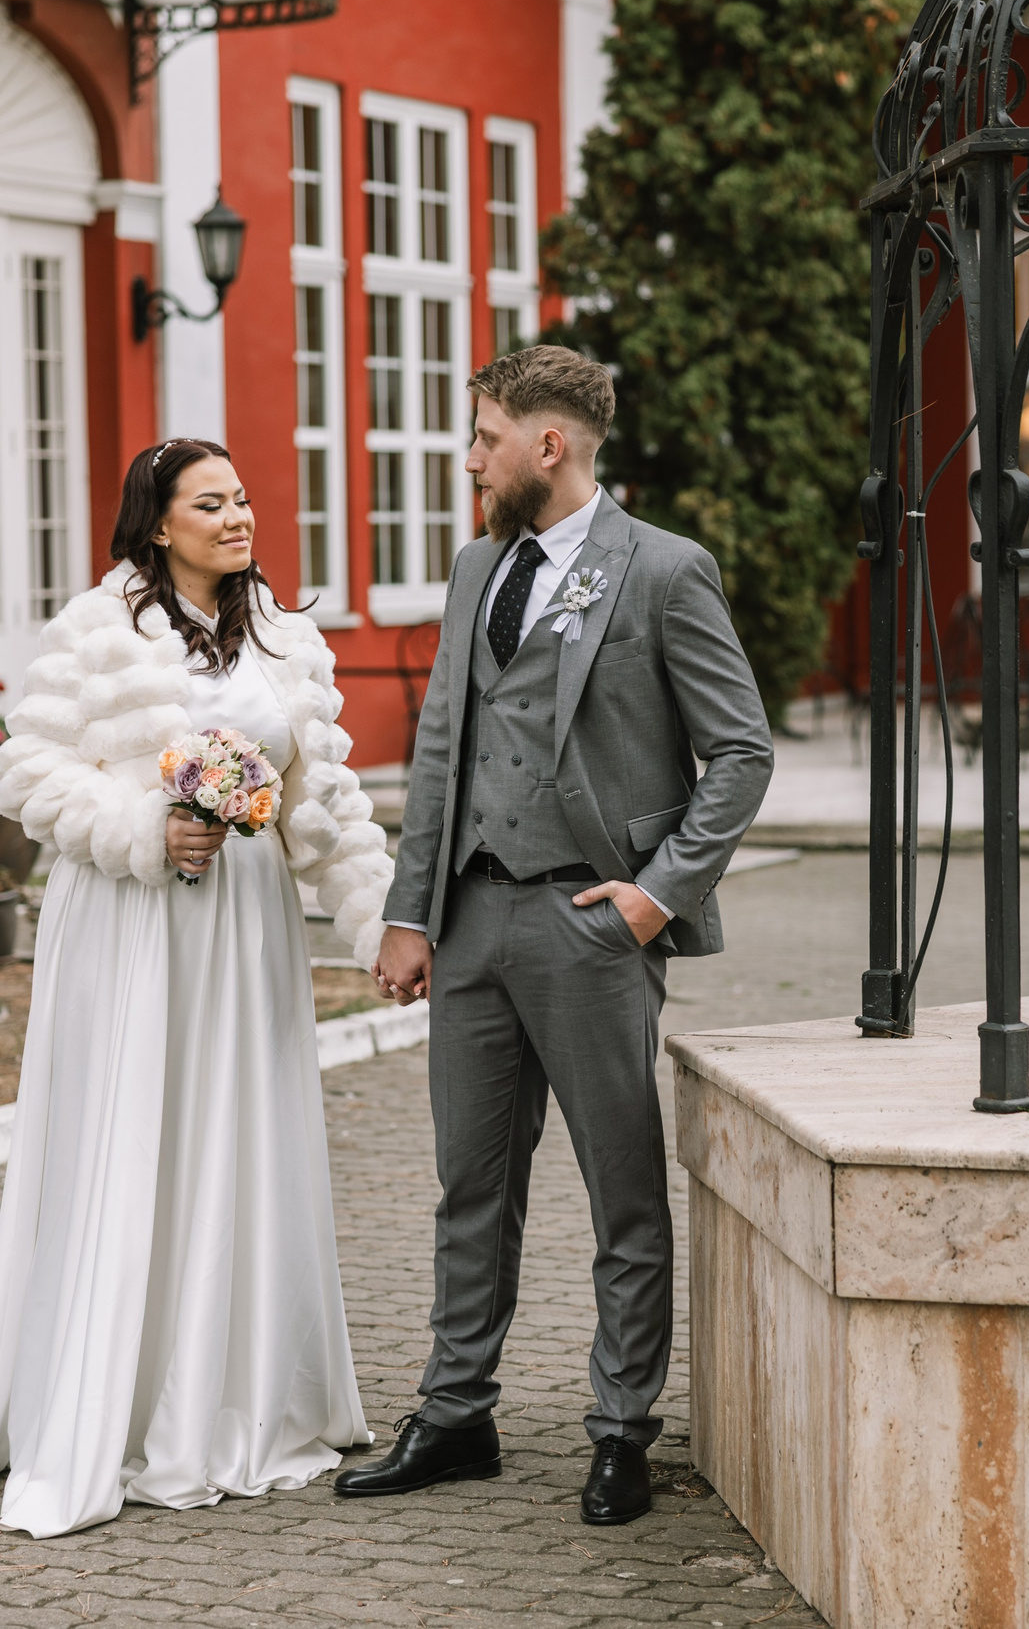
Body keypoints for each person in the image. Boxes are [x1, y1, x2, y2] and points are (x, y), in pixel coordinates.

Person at [341, 345, 773, 1525]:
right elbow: (443, 745)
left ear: (549, 445)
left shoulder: (665, 572)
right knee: (468, 1184)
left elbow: (741, 754)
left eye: (483, 436)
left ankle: (620, 1426)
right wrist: (408, 909)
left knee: (621, 1189)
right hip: (471, 921)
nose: (468, 456)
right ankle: (455, 1412)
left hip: (593, 918)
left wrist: (655, 894)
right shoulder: (480, 562)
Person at [0, 438, 395, 1539]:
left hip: (247, 930)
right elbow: (29, 770)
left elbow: (325, 801)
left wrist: (383, 926)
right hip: (134, 920)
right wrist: (149, 827)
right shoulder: (97, 632)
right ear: (157, 523)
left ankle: (236, 1391)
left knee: (238, 1140)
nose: (238, 518)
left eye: (243, 500)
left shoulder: (289, 639)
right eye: (211, 503)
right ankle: (122, 1398)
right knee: (132, 1138)